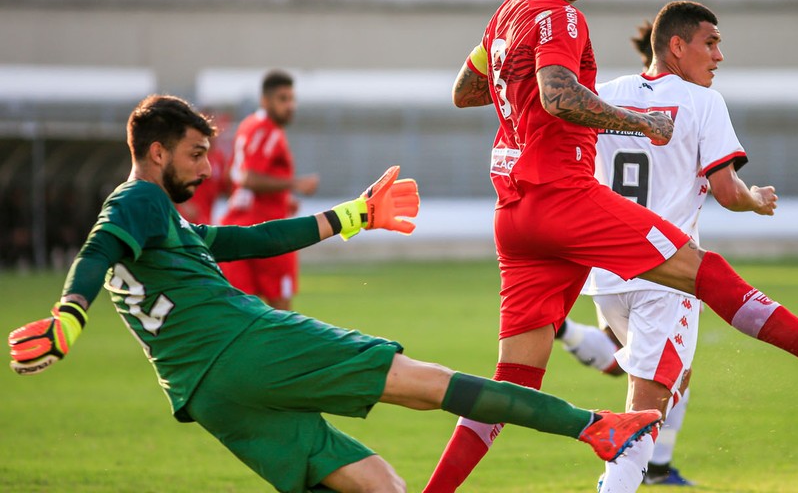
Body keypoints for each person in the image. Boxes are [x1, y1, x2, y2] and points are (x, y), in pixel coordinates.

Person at [428, 0, 798, 492]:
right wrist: (639, 122)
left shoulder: (506, 15)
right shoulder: (559, 18)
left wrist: (518, 84)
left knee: (512, 382)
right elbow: (559, 97)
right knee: (704, 271)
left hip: (514, 216)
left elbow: (465, 91)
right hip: (563, 198)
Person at [7, 94, 663, 493]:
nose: (208, 167)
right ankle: (596, 428)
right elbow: (95, 251)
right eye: (196, 154)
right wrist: (68, 316)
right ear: (155, 153)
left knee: (378, 484)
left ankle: (596, 429)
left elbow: (249, 240)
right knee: (425, 382)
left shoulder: (161, 220)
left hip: (207, 396)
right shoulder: (139, 200)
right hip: (250, 346)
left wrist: (353, 216)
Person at [588, 2, 781, 490]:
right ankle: (636, 476)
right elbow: (726, 190)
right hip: (666, 275)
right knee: (645, 414)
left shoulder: (600, 97)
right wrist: (757, 200)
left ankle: (650, 466)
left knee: (669, 383)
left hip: (607, 281)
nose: (719, 56)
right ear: (678, 46)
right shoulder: (702, 102)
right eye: (711, 43)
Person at [220, 70, 320, 310]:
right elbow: (248, 178)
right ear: (265, 100)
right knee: (283, 315)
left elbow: (231, 177)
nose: (290, 106)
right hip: (271, 233)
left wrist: (282, 199)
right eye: (283, 99)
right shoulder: (270, 131)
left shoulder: (247, 126)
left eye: (292, 99)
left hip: (235, 228)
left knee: (242, 315)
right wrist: (294, 184)